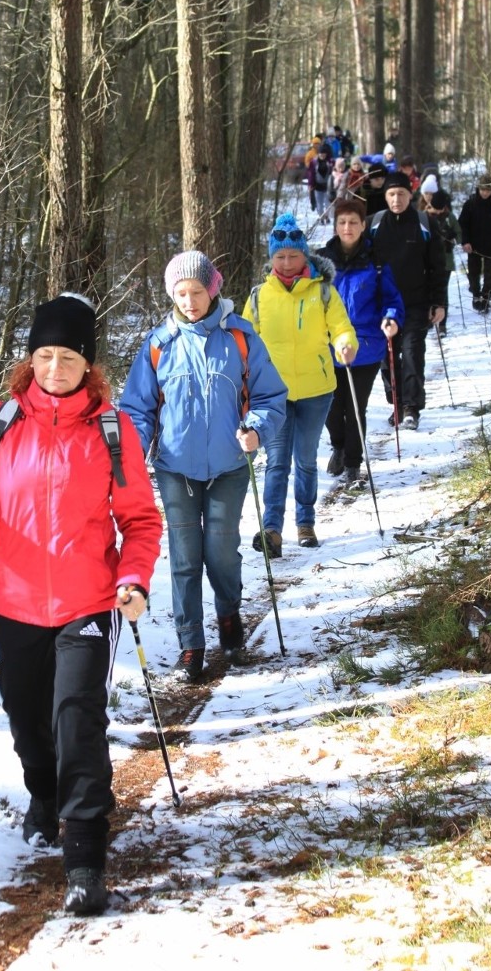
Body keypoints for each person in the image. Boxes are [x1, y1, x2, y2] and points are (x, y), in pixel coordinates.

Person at [0, 292, 163, 917]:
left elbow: (141, 520)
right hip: (12, 600)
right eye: (44, 355)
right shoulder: (2, 420)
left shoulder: (113, 432)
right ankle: (42, 791)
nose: (55, 368)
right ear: (30, 359)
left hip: (88, 601)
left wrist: (134, 579)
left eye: (67, 357)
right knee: (26, 718)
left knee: (76, 721)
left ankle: (86, 857)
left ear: (88, 364)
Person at [120, 251, 286, 684]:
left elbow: (271, 397)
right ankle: (191, 643)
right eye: (180, 293)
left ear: (212, 290)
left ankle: (229, 614)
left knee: (220, 553)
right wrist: (133, 449)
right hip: (175, 468)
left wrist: (256, 429)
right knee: (185, 558)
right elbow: (137, 408)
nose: (189, 301)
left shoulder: (241, 338)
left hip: (229, 466)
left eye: (196, 291)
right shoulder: (159, 344)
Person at [242, 213, 358, 556]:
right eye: (280, 256)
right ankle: (272, 530)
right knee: (276, 461)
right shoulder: (260, 297)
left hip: (316, 389)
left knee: (305, 459)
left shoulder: (322, 291)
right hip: (272, 395)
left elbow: (341, 326)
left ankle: (305, 523)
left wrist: (345, 344)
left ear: (304, 255)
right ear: (272, 258)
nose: (288, 262)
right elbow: (245, 341)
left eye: (294, 255)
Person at [320, 198, 404, 483]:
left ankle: (354, 462)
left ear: (363, 225)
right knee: (332, 405)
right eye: (342, 222)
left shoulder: (376, 261)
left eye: (353, 222)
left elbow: (391, 299)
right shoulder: (321, 262)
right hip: (328, 345)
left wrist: (391, 318)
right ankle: (340, 447)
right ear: (335, 226)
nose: (347, 227)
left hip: (365, 346)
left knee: (356, 406)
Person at [367, 171, 447, 430]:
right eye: (391, 194)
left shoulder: (425, 223)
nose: (396, 199)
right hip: (383, 306)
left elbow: (437, 266)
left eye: (401, 193)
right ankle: (397, 404)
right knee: (387, 356)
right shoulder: (374, 224)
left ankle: (411, 407)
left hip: (415, 302)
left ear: (410, 195)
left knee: (412, 352)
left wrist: (438, 302)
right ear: (386, 196)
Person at [459, 173, 491, 312]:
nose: (485, 193)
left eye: (488, 190)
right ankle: (476, 295)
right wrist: (465, 241)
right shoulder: (470, 204)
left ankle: (486, 299)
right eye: (482, 190)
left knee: (489, 276)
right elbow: (463, 224)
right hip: (473, 246)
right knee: (473, 274)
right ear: (478, 189)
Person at [425, 189, 462, 336]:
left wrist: (452, 238)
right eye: (437, 208)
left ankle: (442, 325)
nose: (439, 211)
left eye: (441, 208)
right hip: (426, 261)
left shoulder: (449, 217)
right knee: (428, 291)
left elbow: (459, 234)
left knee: (443, 292)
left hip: (445, 260)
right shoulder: (424, 217)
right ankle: (428, 318)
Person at [307, 144, 333, 220]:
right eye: (320, 153)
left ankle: (327, 216)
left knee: (328, 203)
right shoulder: (314, 162)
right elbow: (310, 174)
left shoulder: (330, 162)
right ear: (318, 153)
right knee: (319, 204)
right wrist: (310, 184)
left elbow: (333, 173)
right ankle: (321, 217)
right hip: (317, 187)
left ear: (326, 154)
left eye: (323, 153)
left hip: (328, 187)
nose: (322, 155)